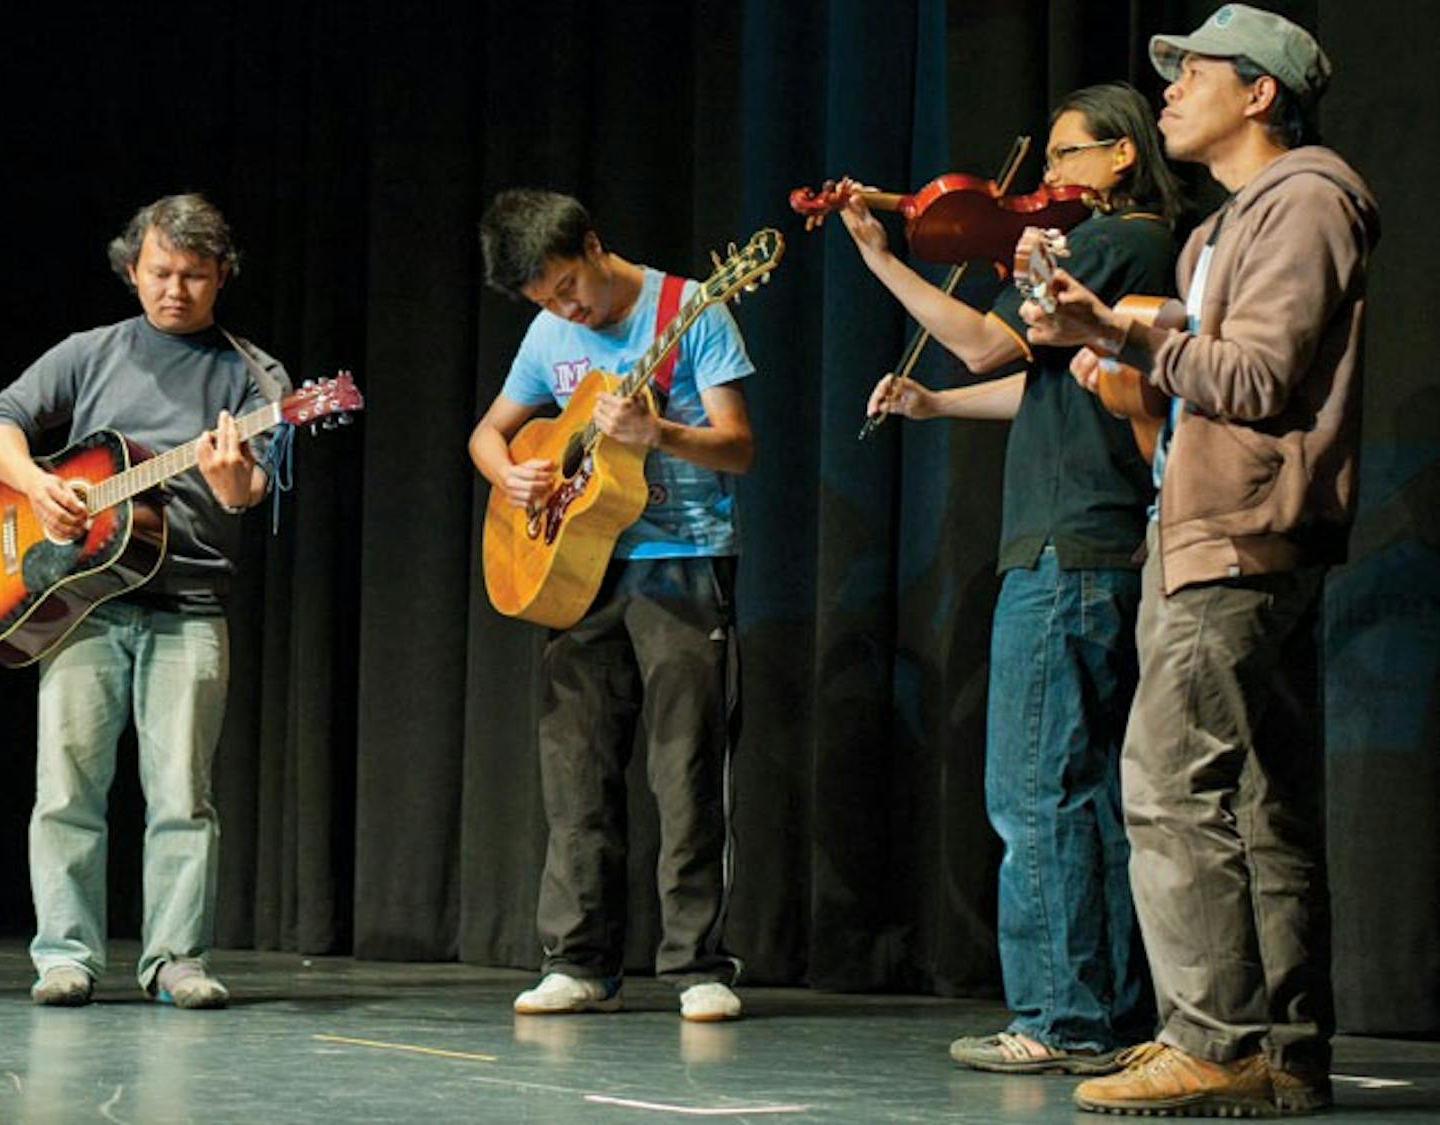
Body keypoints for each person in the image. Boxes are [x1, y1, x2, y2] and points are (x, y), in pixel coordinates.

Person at [1021, 6, 1379, 1116]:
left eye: (1194, 74)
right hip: (1207, 524)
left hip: (1237, 532)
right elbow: (1205, 348)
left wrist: (1138, 338)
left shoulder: (1307, 200)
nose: (1167, 90)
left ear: (1260, 93)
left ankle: (1214, 1039)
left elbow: (1262, 376)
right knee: (1264, 804)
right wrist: (1105, 324)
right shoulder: (1220, 227)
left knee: (1170, 788)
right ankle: (1283, 1048)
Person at [818, 83, 1183, 1073]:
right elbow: (1037, 378)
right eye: (1052, 154)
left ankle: (1061, 1020)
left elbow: (989, 337)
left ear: (1122, 156)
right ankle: (1103, 1014)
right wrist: (940, 407)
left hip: (1066, 549)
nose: (1052, 176)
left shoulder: (1123, 240)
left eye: (1073, 153)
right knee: (1082, 791)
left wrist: (883, 256)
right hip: (1095, 544)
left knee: (1035, 786)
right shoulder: (1106, 249)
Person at [0, 193, 290, 1009]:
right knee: (67, 789)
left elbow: (253, 487)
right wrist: (39, 484)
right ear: (131, 268)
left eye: (193, 274)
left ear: (222, 278)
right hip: (82, 605)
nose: (174, 289)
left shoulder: (257, 377)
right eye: (159, 271)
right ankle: (65, 955)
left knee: (183, 794)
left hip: (189, 604)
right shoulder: (91, 352)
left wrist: (234, 484)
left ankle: (176, 958)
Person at [469, 189, 754, 1022]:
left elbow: (741, 446)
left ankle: (697, 961)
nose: (567, 309)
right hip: (579, 570)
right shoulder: (548, 332)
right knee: (576, 770)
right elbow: (490, 431)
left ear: (593, 244)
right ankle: (579, 959)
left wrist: (656, 434)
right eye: (546, 301)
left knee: (685, 767)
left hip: (682, 561)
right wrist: (508, 473)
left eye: (567, 287)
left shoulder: (694, 311)